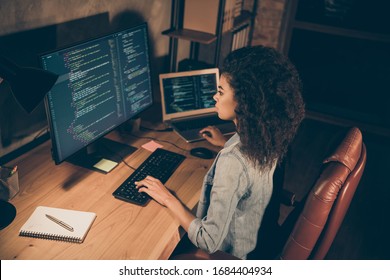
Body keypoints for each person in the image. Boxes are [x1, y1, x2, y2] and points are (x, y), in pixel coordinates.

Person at [135, 45, 305, 259]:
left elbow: (208, 240)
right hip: (259, 247)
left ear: (245, 101)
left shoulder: (233, 161)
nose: (215, 97)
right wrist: (225, 142)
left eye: (221, 91)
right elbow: (248, 173)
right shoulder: (266, 139)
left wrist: (167, 197)